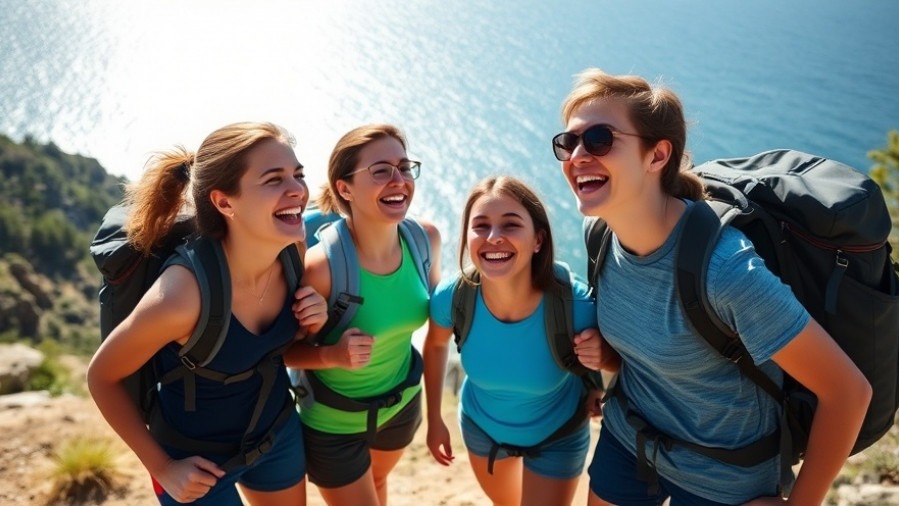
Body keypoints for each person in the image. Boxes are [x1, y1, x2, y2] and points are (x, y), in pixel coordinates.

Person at [553, 68, 872, 505]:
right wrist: (608, 355)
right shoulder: (601, 237)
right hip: (631, 440)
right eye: (567, 143)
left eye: (599, 140)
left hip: (724, 476)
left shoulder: (725, 271)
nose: (576, 156)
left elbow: (849, 392)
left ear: (657, 155)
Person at [87, 122, 326, 505]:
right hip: (193, 463)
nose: (297, 190)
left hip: (276, 435)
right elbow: (102, 377)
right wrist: (163, 468)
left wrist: (311, 320)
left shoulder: (292, 251)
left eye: (298, 174)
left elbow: (266, 348)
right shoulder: (182, 296)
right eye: (273, 179)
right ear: (224, 202)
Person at [422, 175, 616, 506]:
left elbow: (625, 363)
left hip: (559, 435)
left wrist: (603, 366)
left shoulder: (577, 304)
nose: (493, 237)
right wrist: (434, 418)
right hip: (482, 430)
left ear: (538, 239)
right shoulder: (452, 297)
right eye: (480, 226)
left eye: (510, 225)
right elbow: (436, 345)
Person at [284, 124, 442, 506]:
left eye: (404, 168)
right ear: (344, 188)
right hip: (332, 424)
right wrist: (331, 355)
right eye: (381, 170)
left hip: (401, 406)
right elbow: (282, 352)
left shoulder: (425, 240)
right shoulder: (321, 267)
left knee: (378, 483)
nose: (399, 180)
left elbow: (439, 310)